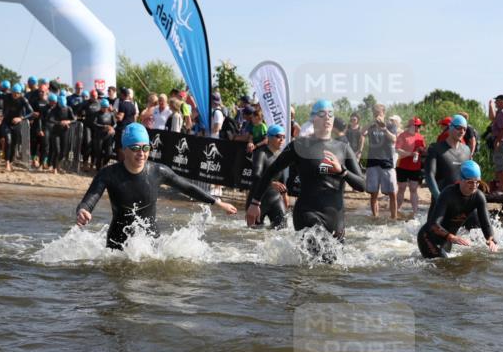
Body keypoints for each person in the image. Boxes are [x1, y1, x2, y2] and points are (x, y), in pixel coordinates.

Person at [76, 123, 237, 249]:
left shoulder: (158, 171)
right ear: (124, 150)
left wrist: (218, 202)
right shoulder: (109, 174)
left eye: (146, 148)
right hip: (117, 243)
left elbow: (188, 187)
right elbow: (91, 197)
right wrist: (83, 209)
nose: (142, 153)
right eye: (135, 148)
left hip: (149, 242)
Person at [245, 100, 366, 245]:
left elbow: (362, 185)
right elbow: (271, 171)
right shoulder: (300, 145)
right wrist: (255, 202)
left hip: (335, 218)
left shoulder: (343, 148)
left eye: (330, 114)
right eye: (322, 114)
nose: (327, 117)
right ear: (313, 118)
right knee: (319, 254)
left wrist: (342, 171)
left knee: (332, 264)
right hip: (307, 213)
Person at [417, 160, 498, 258]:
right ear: (460, 179)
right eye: (470, 182)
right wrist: (451, 237)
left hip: (448, 238)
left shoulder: (479, 197)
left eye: (477, 182)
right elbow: (434, 225)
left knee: (449, 266)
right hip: (428, 237)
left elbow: (486, 223)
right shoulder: (447, 194)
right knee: (442, 264)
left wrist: (490, 239)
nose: (474, 186)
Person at [424, 115, 473, 207]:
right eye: (458, 128)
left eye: (464, 129)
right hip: (440, 202)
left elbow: (469, 177)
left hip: (460, 203)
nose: (462, 131)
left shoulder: (466, 150)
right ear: (450, 127)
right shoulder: (435, 148)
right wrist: (439, 198)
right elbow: (429, 175)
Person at [246, 124, 288, 229]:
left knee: (283, 230)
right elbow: (256, 175)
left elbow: (281, 179)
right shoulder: (261, 153)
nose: (282, 139)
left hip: (275, 199)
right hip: (257, 201)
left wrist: (284, 196)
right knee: (252, 235)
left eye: (284, 137)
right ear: (269, 137)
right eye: (278, 136)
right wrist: (270, 183)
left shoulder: (280, 155)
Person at [364, 103, 398, 218]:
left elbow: (394, 139)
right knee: (374, 193)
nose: (376, 115)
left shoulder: (390, 125)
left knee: (392, 193)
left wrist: (384, 129)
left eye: (378, 113)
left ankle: (394, 217)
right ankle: (375, 217)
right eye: (374, 113)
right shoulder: (371, 125)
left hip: (387, 162)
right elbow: (361, 133)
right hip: (372, 162)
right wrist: (370, 123)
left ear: (384, 113)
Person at [395, 117, 425, 218]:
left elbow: (423, 150)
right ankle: (397, 209)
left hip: (415, 167)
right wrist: (410, 154)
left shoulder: (420, 137)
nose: (419, 128)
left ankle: (415, 211)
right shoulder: (402, 136)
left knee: (413, 188)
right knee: (401, 188)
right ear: (412, 126)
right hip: (402, 166)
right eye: (418, 126)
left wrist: (422, 150)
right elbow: (397, 150)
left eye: (420, 126)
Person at [488, 94, 503, 194]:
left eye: (497, 101)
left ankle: (502, 188)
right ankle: (500, 187)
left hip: (501, 142)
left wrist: (497, 140)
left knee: (501, 165)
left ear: (502, 101)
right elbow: (492, 118)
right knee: (500, 164)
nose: (495, 103)